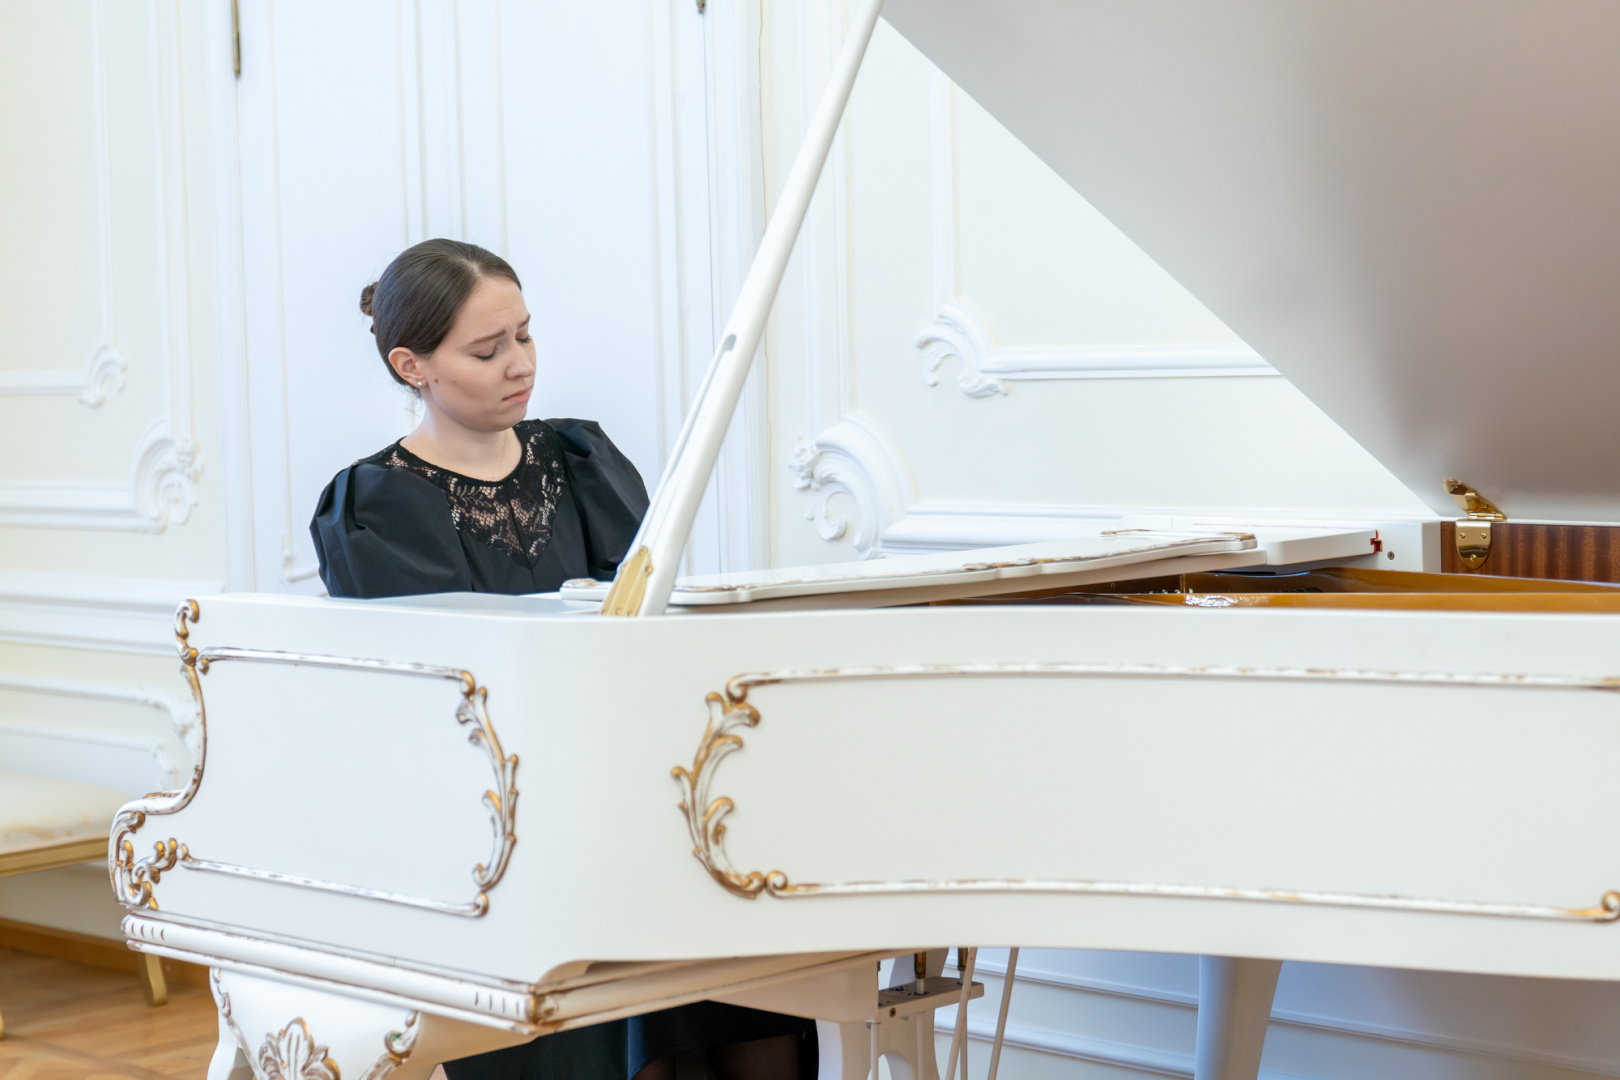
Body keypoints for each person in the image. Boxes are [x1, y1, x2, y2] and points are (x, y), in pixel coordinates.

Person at [310, 239, 816, 1080]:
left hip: (633, 782)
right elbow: (444, 699)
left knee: (738, 939)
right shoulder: (374, 502)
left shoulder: (581, 461)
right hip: (497, 819)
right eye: (487, 350)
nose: (520, 364)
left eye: (525, 335)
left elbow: (650, 631)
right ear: (411, 366)